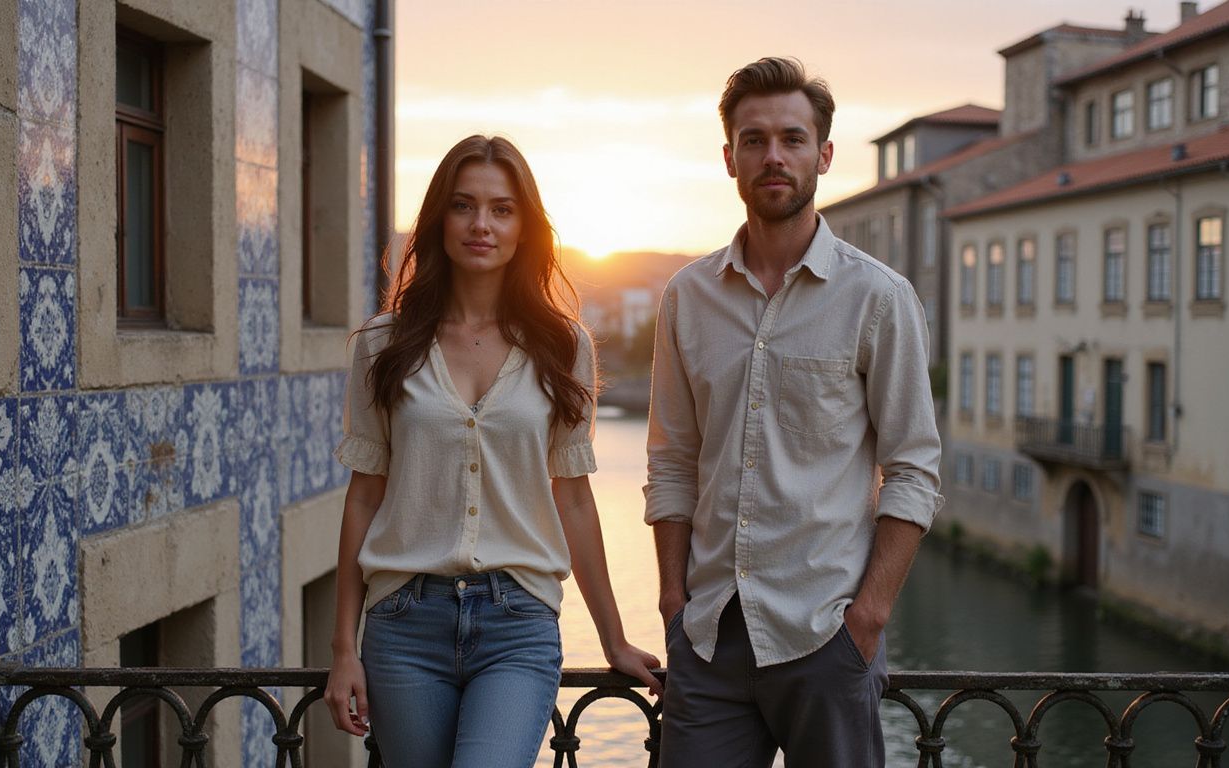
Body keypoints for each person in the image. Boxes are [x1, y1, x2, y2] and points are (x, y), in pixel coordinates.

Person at [326, 134, 662, 768]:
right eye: (464, 205)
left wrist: (614, 639)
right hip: (403, 624)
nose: (482, 224)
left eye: (502, 209)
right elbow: (363, 497)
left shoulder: (564, 348)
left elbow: (576, 502)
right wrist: (345, 648)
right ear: (439, 220)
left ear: (524, 228)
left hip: (517, 625)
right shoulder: (381, 345)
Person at [644, 57, 943, 768]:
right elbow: (671, 461)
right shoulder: (688, 298)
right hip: (711, 639)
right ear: (729, 158)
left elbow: (913, 467)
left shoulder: (879, 298)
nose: (772, 156)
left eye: (792, 138)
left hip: (824, 637)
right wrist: (672, 606)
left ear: (824, 154)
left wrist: (866, 620)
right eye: (754, 140)